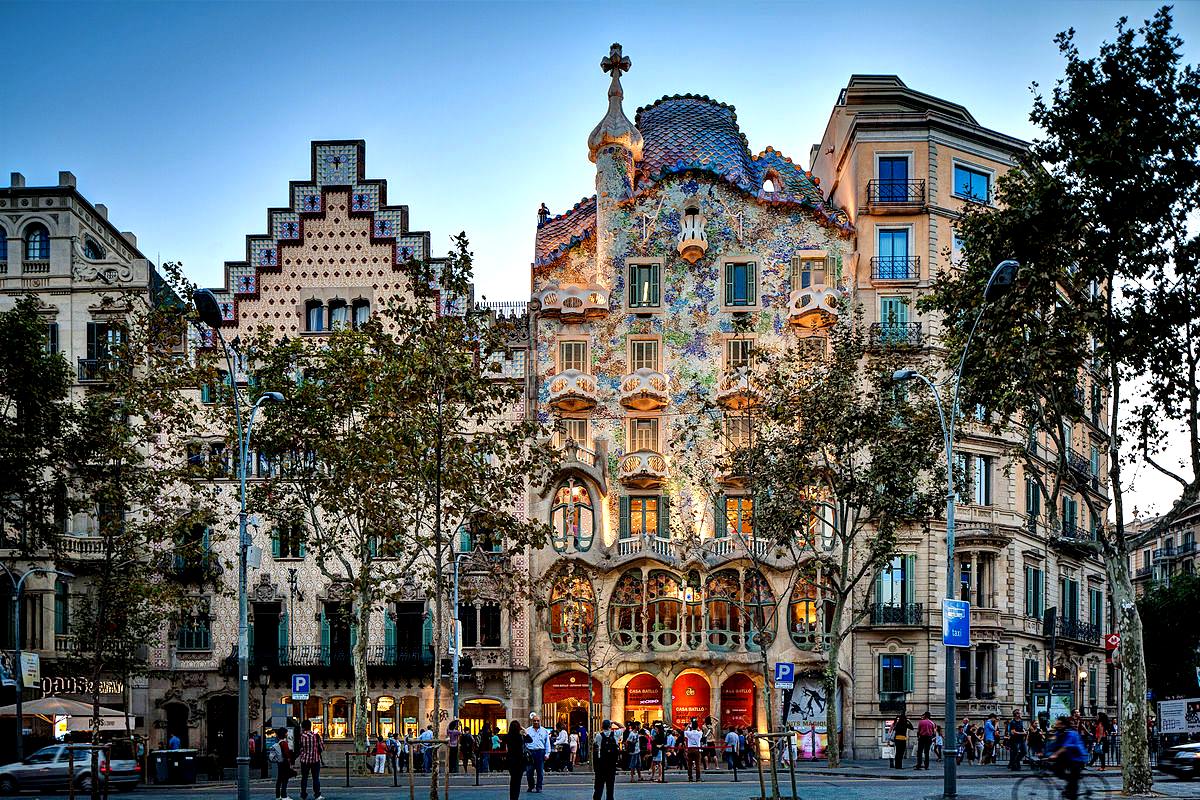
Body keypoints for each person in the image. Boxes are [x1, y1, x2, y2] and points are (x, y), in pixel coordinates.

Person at [1050, 715, 1089, 800]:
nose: (1057, 726)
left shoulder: (1071, 733)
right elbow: (1053, 745)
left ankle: (1073, 791)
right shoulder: (1059, 733)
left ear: (1064, 725)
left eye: (1059, 724)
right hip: (1068, 758)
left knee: (1073, 779)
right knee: (1056, 770)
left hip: (1078, 758)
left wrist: (1055, 755)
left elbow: (1065, 747)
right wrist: (1044, 753)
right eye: (1056, 724)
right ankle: (1071, 782)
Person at [295, 718, 324, 800]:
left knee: (304, 778)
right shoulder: (317, 736)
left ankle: (303, 795)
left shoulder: (301, 737)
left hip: (304, 760)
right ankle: (317, 795)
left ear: (303, 727)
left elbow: (298, 748)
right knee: (316, 778)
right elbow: (322, 748)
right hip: (315, 760)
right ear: (310, 726)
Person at [593, 720, 619, 800]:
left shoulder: (598, 736)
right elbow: (623, 727)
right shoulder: (615, 734)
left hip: (601, 763)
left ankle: (597, 798)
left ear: (602, 726)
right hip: (611, 763)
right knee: (610, 785)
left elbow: (595, 747)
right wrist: (614, 722)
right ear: (610, 726)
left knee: (599, 784)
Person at [270, 726, 296, 800]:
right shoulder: (284, 743)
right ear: (284, 734)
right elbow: (287, 754)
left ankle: (278, 796)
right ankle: (284, 796)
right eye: (286, 733)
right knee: (285, 779)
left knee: (279, 779)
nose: (287, 734)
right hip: (285, 763)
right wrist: (290, 764)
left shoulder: (278, 743)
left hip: (280, 762)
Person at [525, 713, 549, 793]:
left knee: (540, 772)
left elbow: (547, 743)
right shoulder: (527, 730)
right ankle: (531, 786)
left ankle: (539, 787)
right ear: (532, 721)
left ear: (540, 721)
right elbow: (525, 743)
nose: (536, 722)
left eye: (537, 721)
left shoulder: (544, 731)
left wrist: (547, 754)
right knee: (529, 771)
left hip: (540, 752)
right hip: (530, 752)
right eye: (534, 721)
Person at [505, 720, 527, 800]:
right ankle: (515, 798)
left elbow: (503, 744)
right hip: (520, 761)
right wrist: (524, 731)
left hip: (511, 761)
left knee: (513, 780)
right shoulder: (520, 736)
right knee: (518, 782)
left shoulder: (507, 736)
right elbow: (530, 740)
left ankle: (512, 798)